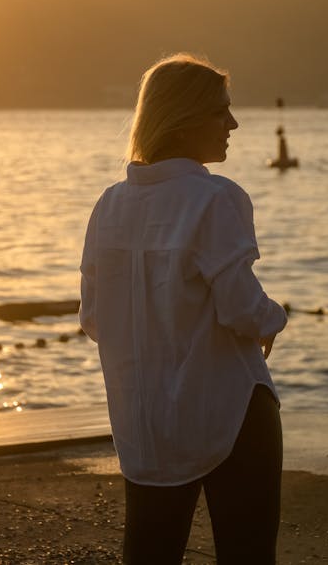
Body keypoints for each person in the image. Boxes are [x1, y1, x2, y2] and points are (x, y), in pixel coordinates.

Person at [80, 53, 288, 564]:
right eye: (222, 111)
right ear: (184, 118)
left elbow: (92, 319)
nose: (233, 124)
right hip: (231, 410)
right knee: (247, 554)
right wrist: (274, 318)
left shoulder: (109, 205)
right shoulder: (215, 198)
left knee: (150, 552)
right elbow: (242, 308)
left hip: (145, 418)